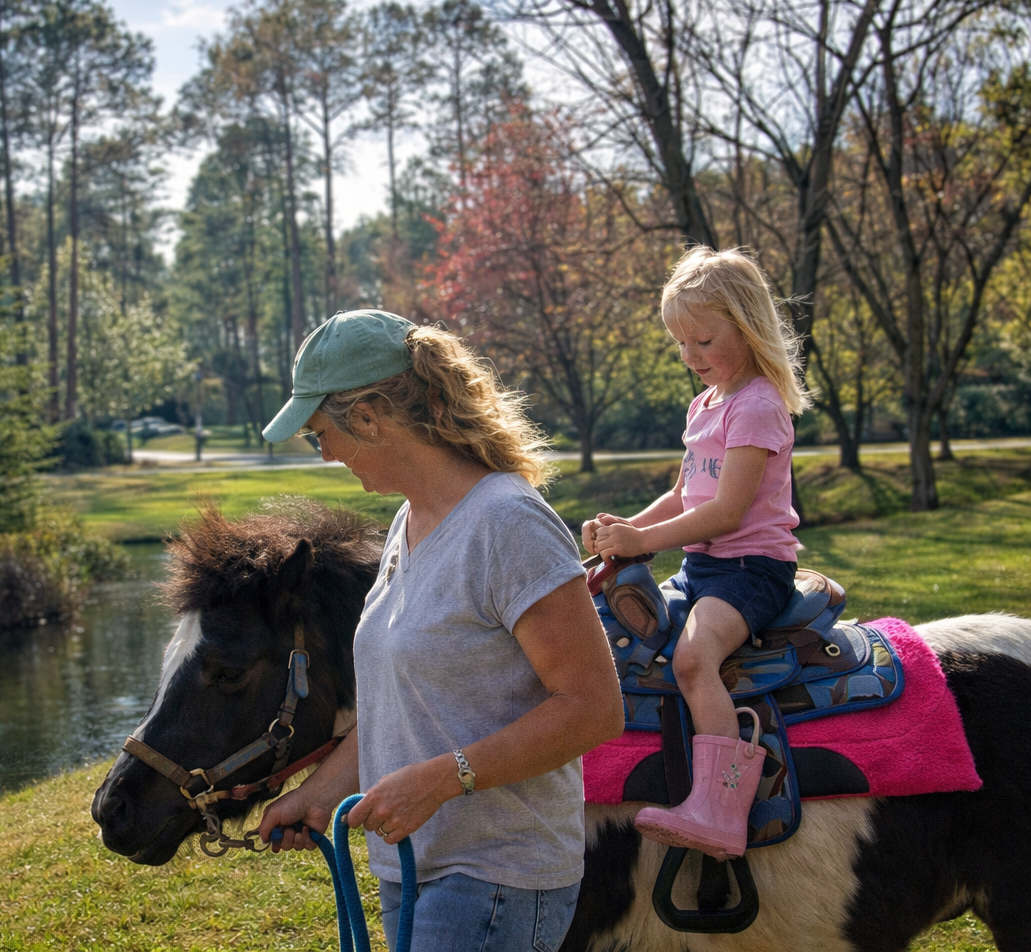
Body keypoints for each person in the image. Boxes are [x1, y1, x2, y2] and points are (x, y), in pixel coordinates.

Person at [253, 309, 623, 952]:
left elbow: (594, 709)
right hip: (414, 870)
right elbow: (408, 704)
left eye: (322, 434)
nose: (327, 453)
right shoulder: (409, 521)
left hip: (496, 877)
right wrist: (320, 795)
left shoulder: (508, 523)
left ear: (368, 417)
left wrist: (442, 779)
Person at [583, 246, 811, 861]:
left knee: (691, 661)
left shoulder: (758, 404)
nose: (690, 357)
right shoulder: (704, 406)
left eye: (704, 341)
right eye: (681, 344)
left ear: (747, 325)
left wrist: (644, 543)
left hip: (751, 571)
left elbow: (726, 512)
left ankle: (722, 807)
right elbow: (685, 493)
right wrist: (624, 529)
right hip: (707, 567)